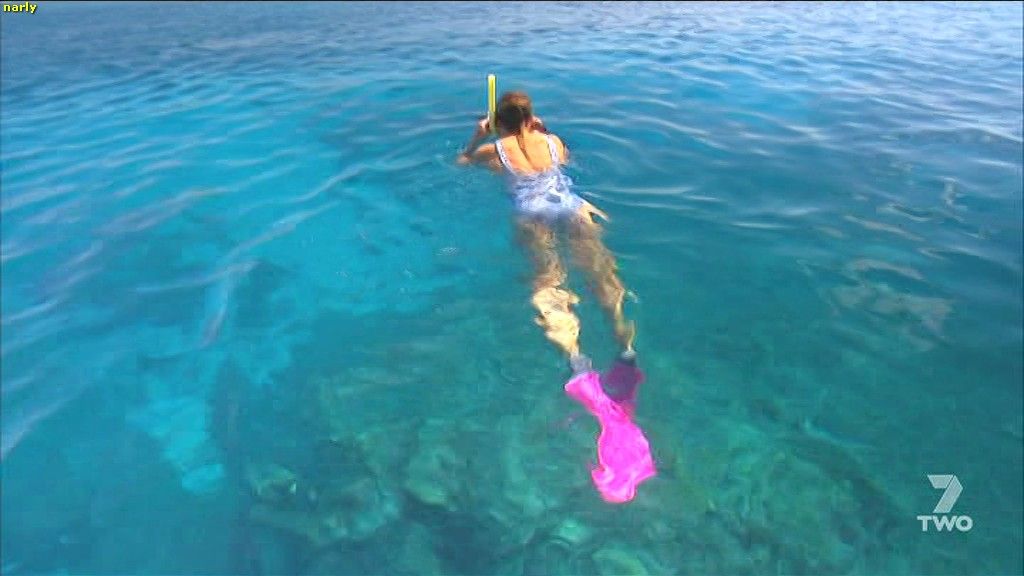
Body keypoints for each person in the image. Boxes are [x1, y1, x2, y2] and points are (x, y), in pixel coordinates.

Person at [457, 91, 641, 400]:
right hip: (571, 207)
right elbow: (565, 159)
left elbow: (462, 162)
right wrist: (540, 130)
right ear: (531, 118)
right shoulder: (553, 142)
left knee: (548, 283)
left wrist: (477, 137)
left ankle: (577, 360)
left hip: (533, 216)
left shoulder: (494, 151)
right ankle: (626, 348)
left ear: (497, 122)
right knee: (603, 278)